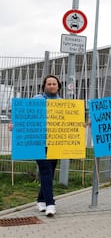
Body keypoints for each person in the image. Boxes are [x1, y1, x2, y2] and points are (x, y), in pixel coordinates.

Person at [33, 75, 62, 217]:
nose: (51, 86)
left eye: (54, 84)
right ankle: (50, 204)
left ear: (58, 86)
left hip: (55, 143)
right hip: (39, 142)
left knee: (50, 170)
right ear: (44, 86)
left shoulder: (63, 103)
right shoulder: (37, 100)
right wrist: (15, 125)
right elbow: (25, 116)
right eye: (49, 84)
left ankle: (40, 199)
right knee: (45, 170)